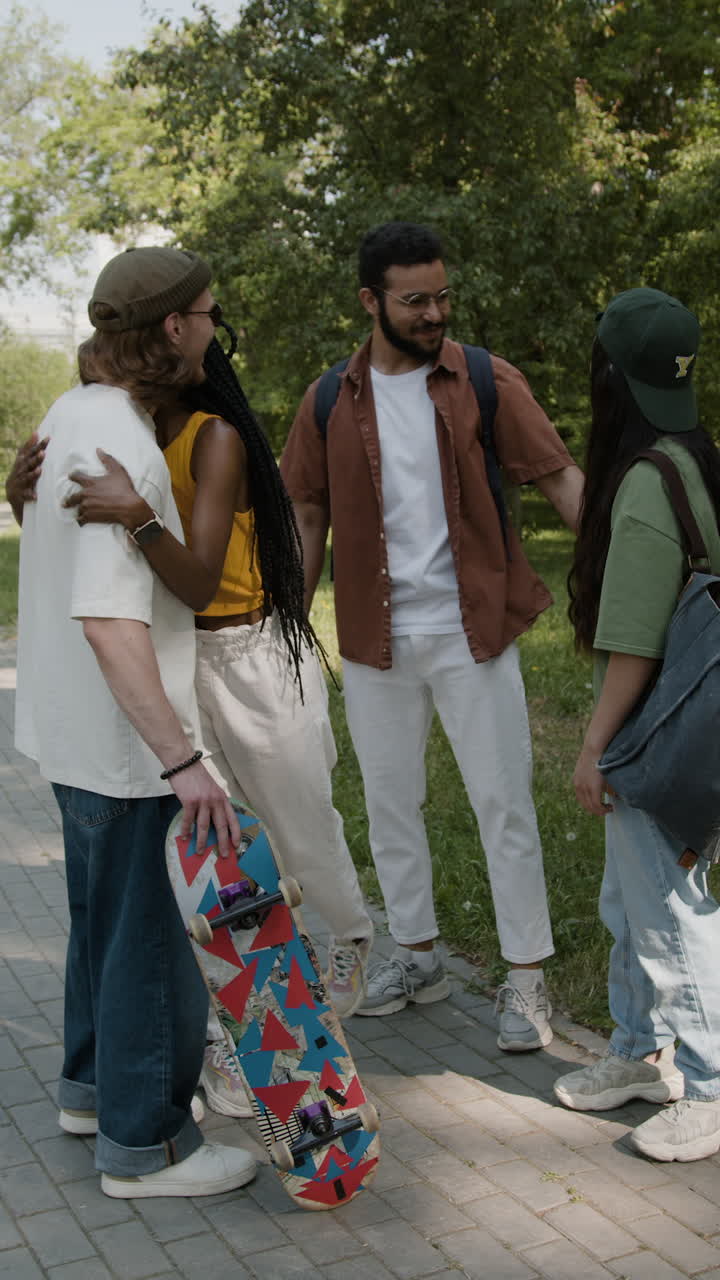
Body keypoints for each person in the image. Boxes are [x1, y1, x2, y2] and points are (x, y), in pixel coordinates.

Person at [8, 285, 374, 1119]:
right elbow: (78, 553)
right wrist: (19, 496)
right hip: (176, 659)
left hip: (246, 653)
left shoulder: (214, 440)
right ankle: (234, 1031)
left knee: (298, 827)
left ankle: (350, 935)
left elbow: (198, 575)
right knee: (218, 860)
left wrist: (138, 515)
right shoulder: (120, 430)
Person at [280, 221, 584, 1049]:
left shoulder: (486, 380)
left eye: (442, 296)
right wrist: (288, 627)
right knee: (389, 806)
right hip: (376, 638)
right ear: (369, 302)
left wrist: (626, 581)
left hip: (472, 629)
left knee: (504, 803)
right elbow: (304, 512)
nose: (434, 312)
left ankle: (526, 980)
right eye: (415, 300)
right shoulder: (328, 400)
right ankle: (416, 957)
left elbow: (561, 479)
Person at [13, 246, 257, 1198]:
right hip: (126, 749)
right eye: (206, 313)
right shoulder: (123, 450)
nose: (210, 328)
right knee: (148, 941)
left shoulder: (67, 416)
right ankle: (145, 1146)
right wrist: (182, 760)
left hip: (72, 736)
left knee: (97, 925)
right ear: (171, 328)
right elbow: (113, 623)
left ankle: (89, 1092)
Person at [554, 287, 720, 1162]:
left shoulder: (649, 481)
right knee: (630, 901)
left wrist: (594, 747)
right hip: (687, 718)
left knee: (668, 914)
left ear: (609, 376)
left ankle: (709, 1085)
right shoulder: (693, 455)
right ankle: (635, 1052)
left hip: (653, 728)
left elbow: (634, 640)